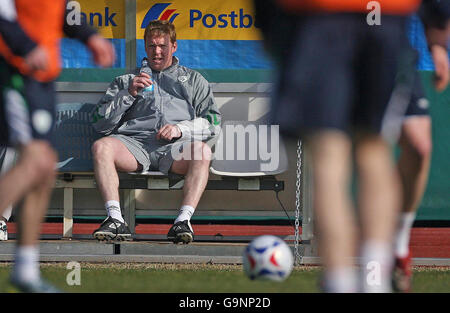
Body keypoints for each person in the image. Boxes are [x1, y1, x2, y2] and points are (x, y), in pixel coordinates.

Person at [254, 0, 445, 292]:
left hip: (320, 19)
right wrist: (438, 22)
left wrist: (269, 25)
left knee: (331, 154)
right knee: (373, 149)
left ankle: (340, 281)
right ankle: (373, 280)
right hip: (382, 15)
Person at [0, 0, 115, 292]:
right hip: (13, 69)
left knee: (44, 167)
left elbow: (62, 10)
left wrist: (91, 36)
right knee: (36, 160)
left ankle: (25, 269)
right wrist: (25, 46)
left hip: (41, 76)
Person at [90, 20, 221, 244]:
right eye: (152, 46)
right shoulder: (125, 80)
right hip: (134, 146)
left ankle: (183, 221)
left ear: (174, 46)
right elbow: (99, 123)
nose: (157, 52)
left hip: (174, 149)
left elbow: (213, 122)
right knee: (101, 146)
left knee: (202, 152)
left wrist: (180, 129)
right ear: (145, 47)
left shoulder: (193, 80)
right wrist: (128, 94)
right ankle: (115, 219)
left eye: (162, 46)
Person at [393, 2, 450, 292]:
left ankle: (399, 246)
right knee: (365, 150)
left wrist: (438, 46)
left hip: (395, 59)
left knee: (420, 145)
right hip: (342, 56)